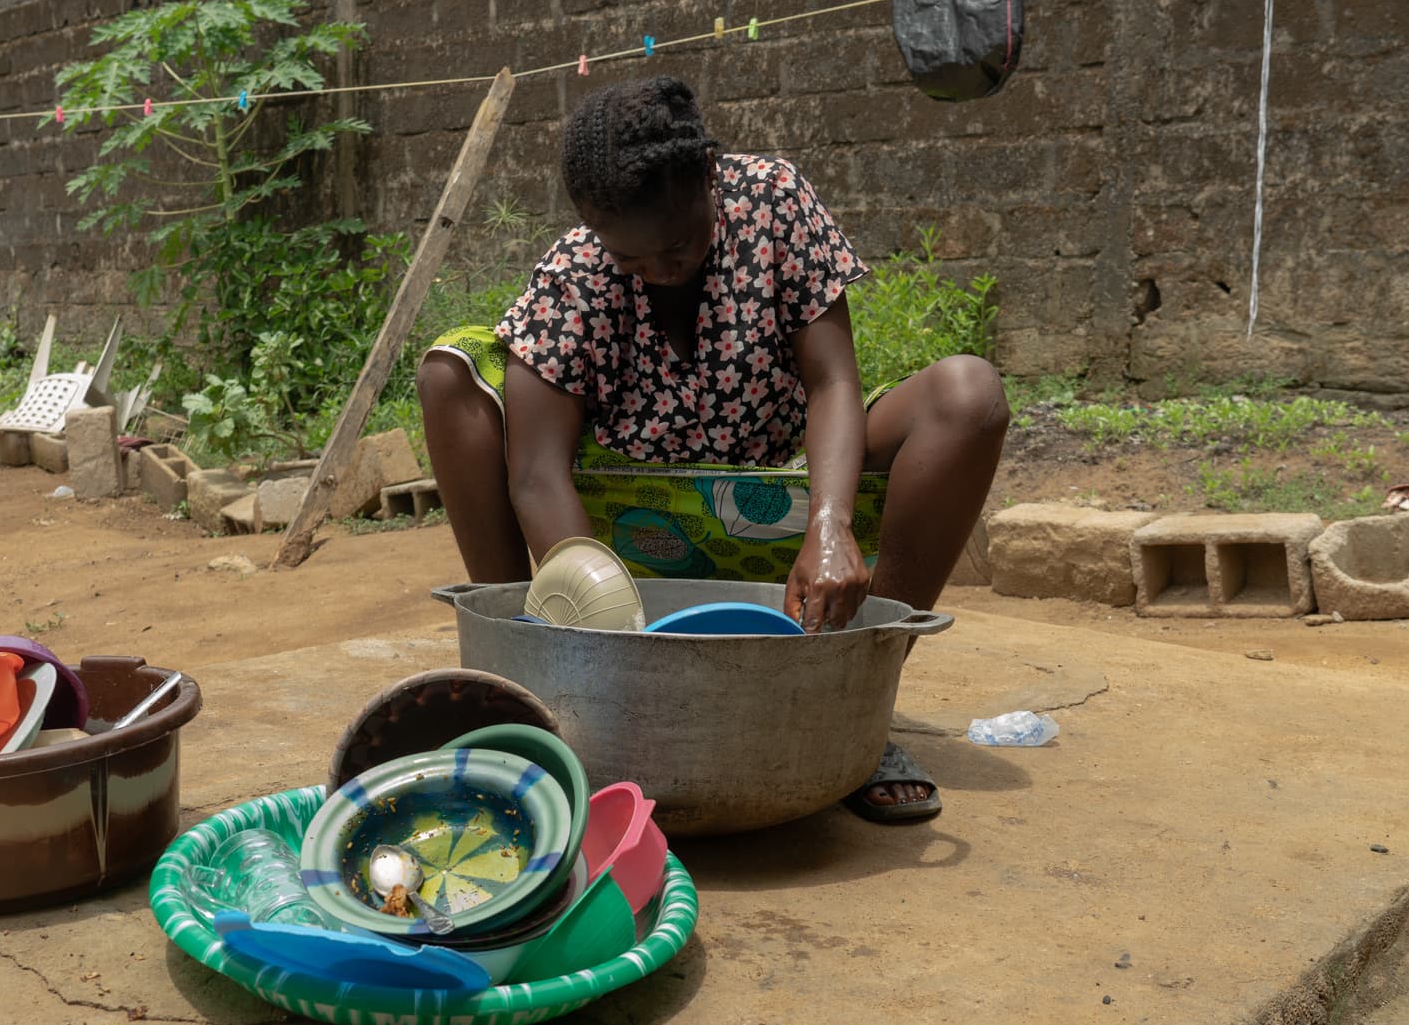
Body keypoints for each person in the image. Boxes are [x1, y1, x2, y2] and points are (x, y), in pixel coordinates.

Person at [416, 74, 1010, 823]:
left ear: (707, 179)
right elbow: (536, 472)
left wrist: (828, 524)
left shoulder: (773, 203)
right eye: (629, 260)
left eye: (677, 246)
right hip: (628, 527)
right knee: (449, 373)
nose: (659, 270)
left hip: (783, 495)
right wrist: (595, 616)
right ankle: (526, 695)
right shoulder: (573, 273)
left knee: (969, 396)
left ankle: (850, 709)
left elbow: (832, 382)